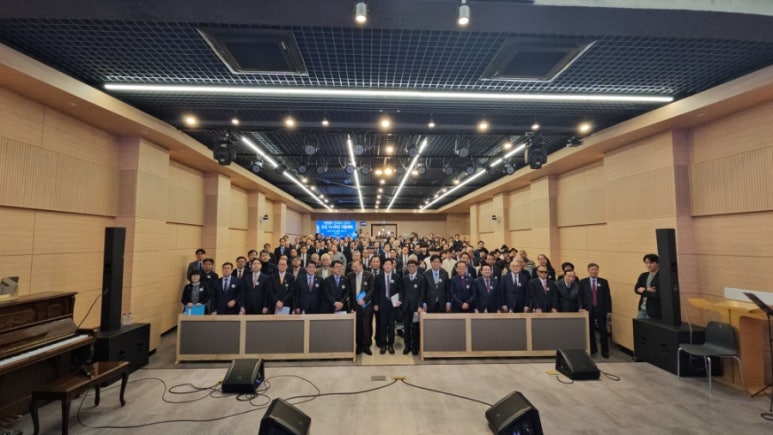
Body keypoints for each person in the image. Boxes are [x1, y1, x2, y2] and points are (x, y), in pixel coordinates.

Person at [580, 263, 612, 358]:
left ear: (598, 270)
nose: (594, 271)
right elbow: (580, 296)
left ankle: (605, 351)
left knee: (603, 330)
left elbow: (607, 297)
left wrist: (609, 311)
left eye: (596, 269)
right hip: (588, 310)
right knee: (590, 330)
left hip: (601, 309)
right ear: (588, 270)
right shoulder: (583, 282)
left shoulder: (604, 282)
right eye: (592, 269)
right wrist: (581, 307)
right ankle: (593, 349)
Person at [374, 258, 402, 354]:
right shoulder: (378, 277)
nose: (387, 266)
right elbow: (375, 292)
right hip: (381, 305)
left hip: (393, 305)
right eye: (386, 264)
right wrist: (375, 304)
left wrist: (400, 300)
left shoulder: (397, 276)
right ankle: (383, 344)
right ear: (383, 266)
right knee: (382, 325)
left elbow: (401, 290)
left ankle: (390, 344)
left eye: (389, 264)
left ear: (392, 266)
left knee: (391, 326)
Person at [348, 259, 374, 355]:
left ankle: (367, 346)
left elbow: (372, 290)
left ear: (361, 266)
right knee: (358, 326)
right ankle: (359, 345)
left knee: (366, 326)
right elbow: (349, 292)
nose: (353, 269)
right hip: (355, 305)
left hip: (366, 305)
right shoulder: (350, 275)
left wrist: (364, 300)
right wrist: (351, 306)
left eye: (355, 267)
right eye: (352, 267)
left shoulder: (369, 275)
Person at [400, 259, 425, 355]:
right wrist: (401, 302)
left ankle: (415, 347)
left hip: (416, 309)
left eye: (413, 266)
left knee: (415, 328)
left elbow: (422, 294)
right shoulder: (404, 278)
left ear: (417, 267)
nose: (411, 268)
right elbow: (402, 292)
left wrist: (419, 306)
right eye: (409, 266)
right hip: (406, 307)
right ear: (407, 268)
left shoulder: (421, 279)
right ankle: (407, 346)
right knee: (406, 327)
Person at [635, 253, 660, 319]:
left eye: (651, 262)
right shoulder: (643, 275)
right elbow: (636, 289)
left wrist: (644, 291)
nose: (648, 265)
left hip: (654, 312)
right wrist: (647, 291)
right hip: (641, 309)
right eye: (646, 263)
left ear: (657, 263)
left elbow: (657, 295)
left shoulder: (661, 277)